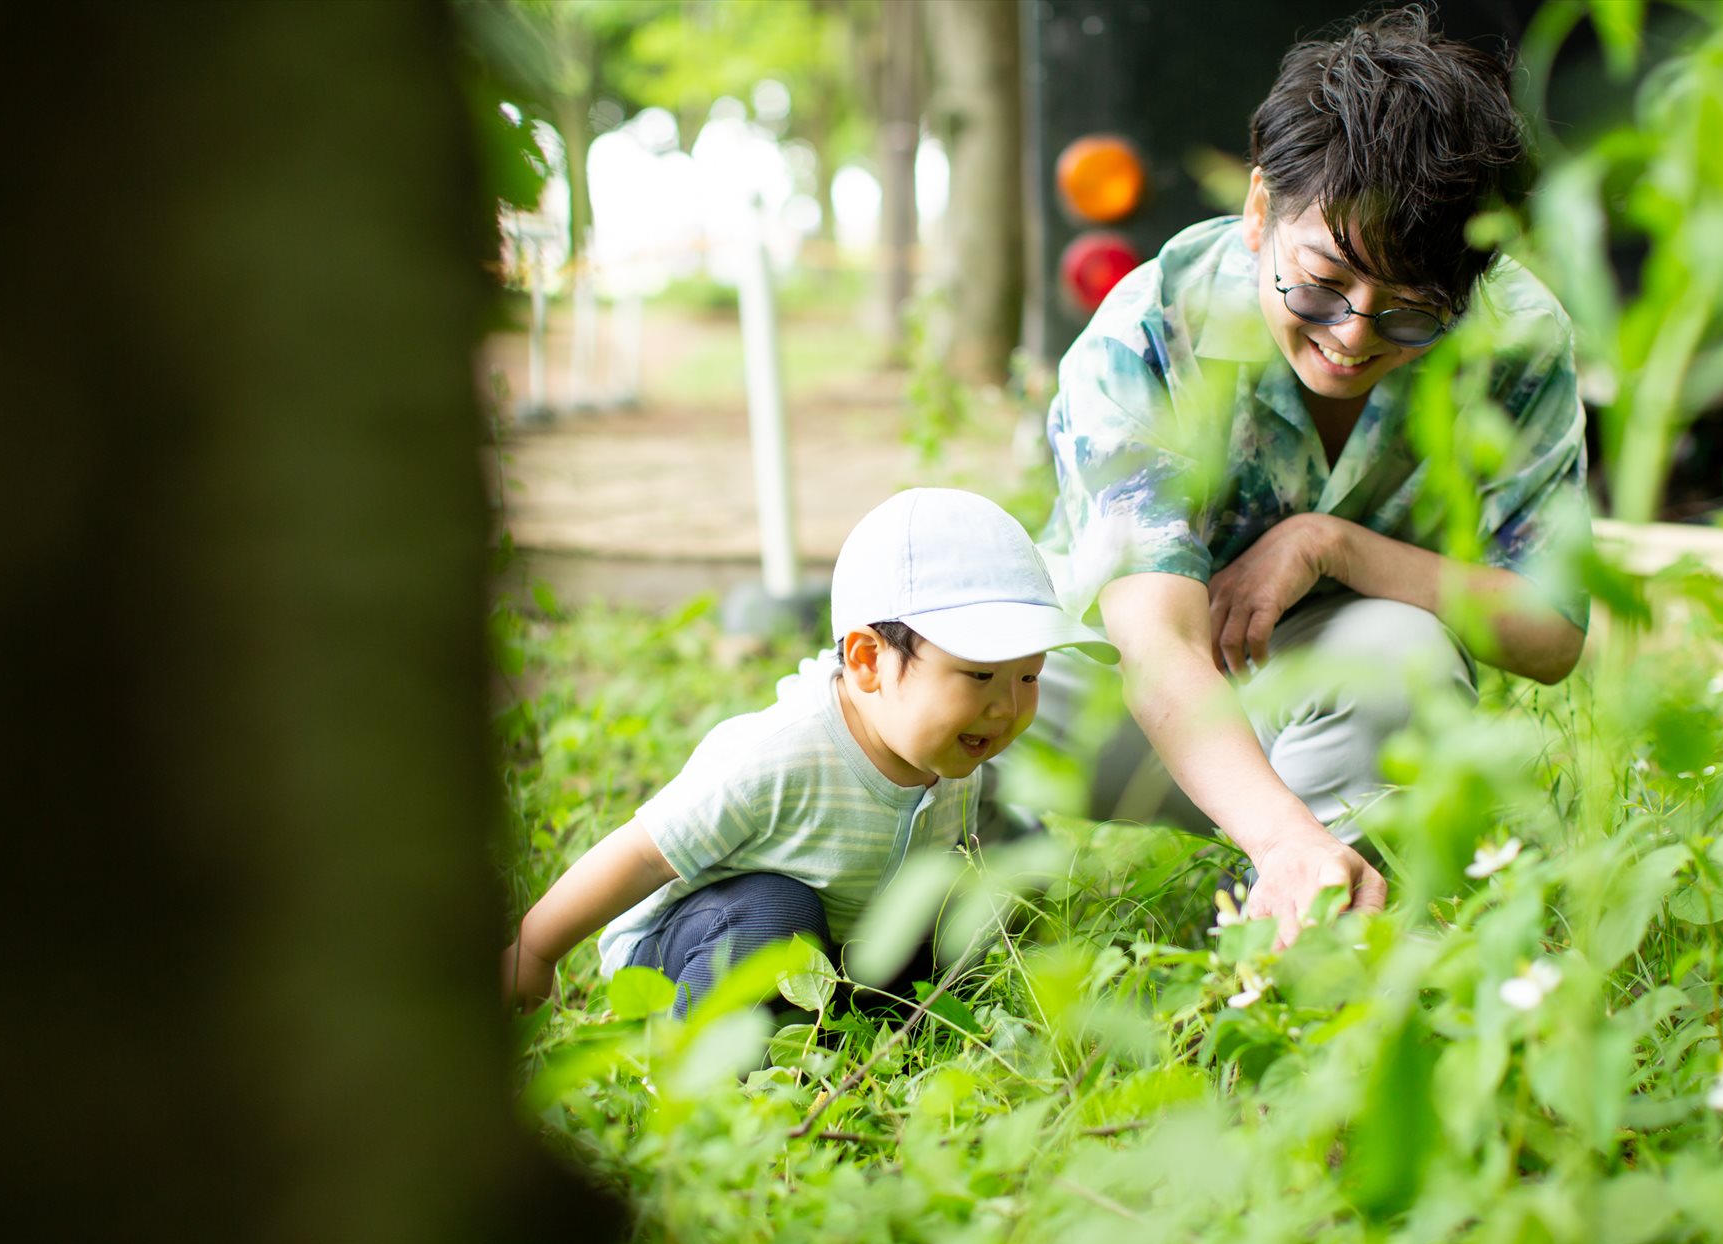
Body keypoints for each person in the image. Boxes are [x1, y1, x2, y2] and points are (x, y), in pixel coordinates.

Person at [1025, 6, 1591, 947]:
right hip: (1119, 690)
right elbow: (1157, 645)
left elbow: (1552, 631)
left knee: (1400, 655)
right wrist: (1285, 837)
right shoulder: (1151, 326)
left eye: (1412, 312)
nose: (1351, 337)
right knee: (917, 695)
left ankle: (1306, 954)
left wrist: (1335, 547)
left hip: (1335, 688)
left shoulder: (1517, 339)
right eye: (1321, 284)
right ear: (1259, 211)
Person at [502, 488, 1117, 1014]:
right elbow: (641, 855)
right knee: (775, 909)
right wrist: (535, 950)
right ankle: (705, 1062)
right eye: (980, 676)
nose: (1008, 706)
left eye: (1029, 676)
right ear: (868, 660)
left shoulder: (951, 750)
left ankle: (859, 1027)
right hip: (697, 949)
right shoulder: (780, 754)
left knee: (979, 890)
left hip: (832, 961)